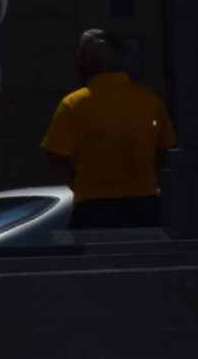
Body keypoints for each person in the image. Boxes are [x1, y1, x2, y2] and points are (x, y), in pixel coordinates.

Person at [40, 30, 176, 229]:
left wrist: (78, 184)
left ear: (94, 64)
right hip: (143, 204)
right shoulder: (151, 102)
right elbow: (164, 153)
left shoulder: (73, 104)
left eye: (81, 58)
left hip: (93, 205)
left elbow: (55, 161)